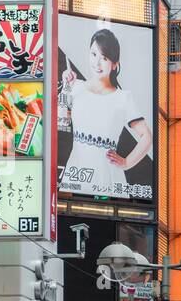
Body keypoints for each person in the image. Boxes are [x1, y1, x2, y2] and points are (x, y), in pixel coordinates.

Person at [59, 26, 153, 198]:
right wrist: (65, 87)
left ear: (115, 64)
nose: (97, 63)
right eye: (93, 54)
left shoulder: (123, 98)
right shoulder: (75, 87)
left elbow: (147, 136)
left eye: (104, 58)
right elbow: (61, 122)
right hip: (76, 176)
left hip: (107, 180)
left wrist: (125, 163)